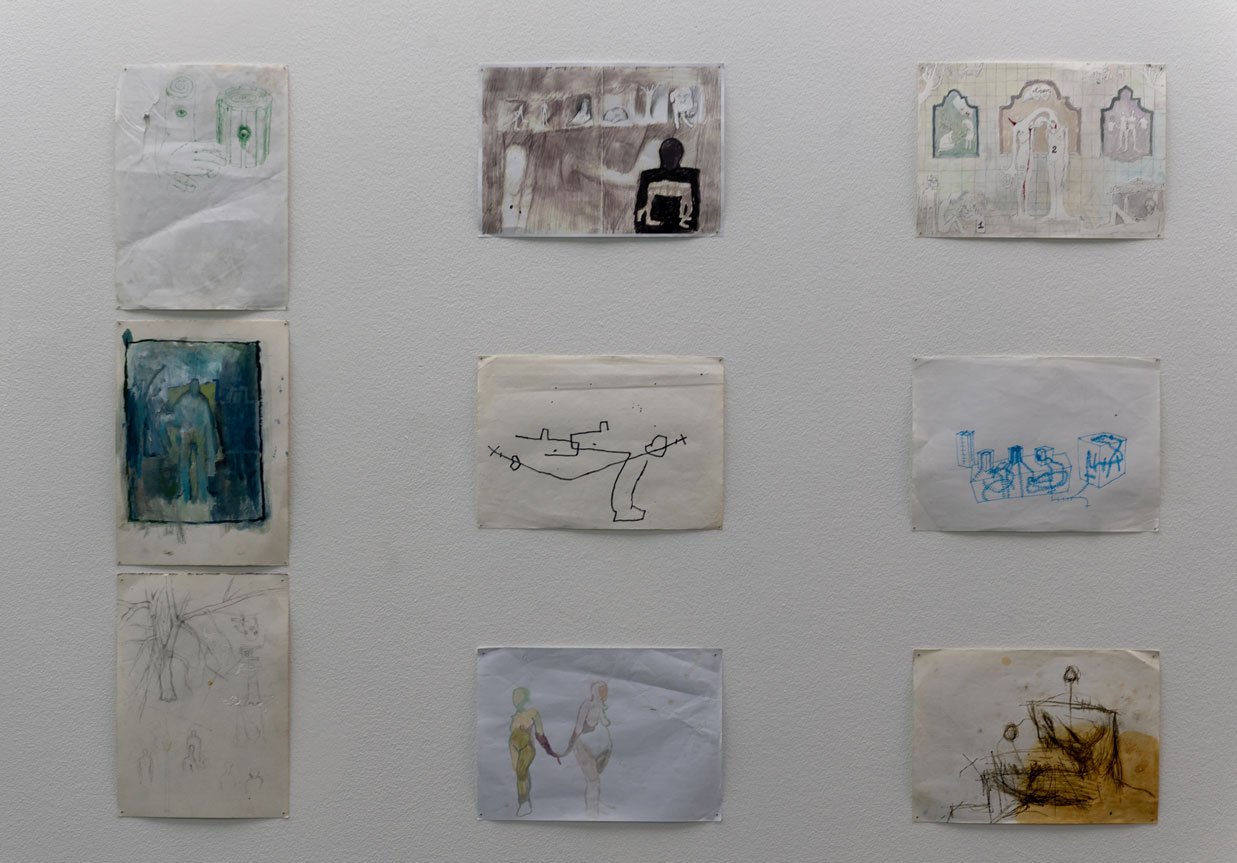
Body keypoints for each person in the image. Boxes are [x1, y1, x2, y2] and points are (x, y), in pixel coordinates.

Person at [560, 681, 612, 817]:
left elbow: (605, 722)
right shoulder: (587, 705)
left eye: (606, 691)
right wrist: (571, 744)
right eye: (604, 691)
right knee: (592, 779)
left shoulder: (599, 707)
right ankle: (592, 811)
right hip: (583, 744)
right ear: (597, 692)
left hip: (597, 745)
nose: (606, 694)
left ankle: (596, 802)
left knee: (596, 776)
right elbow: (578, 727)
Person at [508, 688, 559, 816]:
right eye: (514, 696)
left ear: (525, 698)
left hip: (527, 748)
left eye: (519, 696)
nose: (516, 699)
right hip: (514, 748)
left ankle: (524, 803)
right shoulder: (514, 717)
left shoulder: (532, 713)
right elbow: (512, 739)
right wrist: (513, 756)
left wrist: (549, 750)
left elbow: (540, 733)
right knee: (521, 774)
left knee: (521, 773)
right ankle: (526, 800)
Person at [634, 138, 701, 233]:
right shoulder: (690, 175)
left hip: (664, 231)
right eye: (669, 155)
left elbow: (694, 207)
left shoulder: (648, 176)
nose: (671, 159)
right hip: (664, 231)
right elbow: (641, 206)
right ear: (681, 155)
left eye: (673, 155)